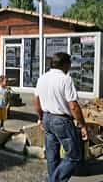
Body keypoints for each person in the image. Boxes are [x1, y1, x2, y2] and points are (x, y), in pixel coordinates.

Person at [34, 52, 88, 182]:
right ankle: (54, 180)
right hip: (61, 120)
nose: (70, 66)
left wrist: (40, 118)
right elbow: (73, 106)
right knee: (74, 155)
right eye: (69, 63)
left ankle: (53, 178)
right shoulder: (65, 79)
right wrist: (82, 125)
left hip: (47, 118)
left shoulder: (42, 78)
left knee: (52, 156)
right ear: (65, 64)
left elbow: (36, 101)